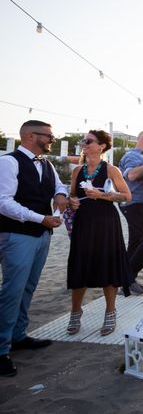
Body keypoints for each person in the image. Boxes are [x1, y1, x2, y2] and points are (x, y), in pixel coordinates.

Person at [0, 120, 67, 377]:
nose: (51, 140)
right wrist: (41, 218)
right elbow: (4, 202)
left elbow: (58, 186)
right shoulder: (9, 162)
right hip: (17, 234)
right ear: (29, 135)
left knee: (28, 286)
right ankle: (1, 348)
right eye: (48, 136)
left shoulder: (47, 164)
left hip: (42, 235)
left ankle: (18, 335)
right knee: (12, 290)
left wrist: (60, 195)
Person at [66, 130, 132, 336]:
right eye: (83, 141)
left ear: (102, 146)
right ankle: (75, 311)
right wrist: (73, 201)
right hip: (84, 222)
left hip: (106, 222)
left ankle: (110, 311)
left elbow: (127, 196)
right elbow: (72, 195)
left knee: (107, 264)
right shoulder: (78, 170)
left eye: (88, 141)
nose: (84, 144)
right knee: (80, 264)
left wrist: (102, 195)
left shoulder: (111, 170)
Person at [118, 130, 143, 295]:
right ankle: (127, 278)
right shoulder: (133, 156)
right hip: (133, 204)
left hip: (139, 205)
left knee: (135, 243)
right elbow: (132, 175)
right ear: (142, 139)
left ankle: (128, 281)